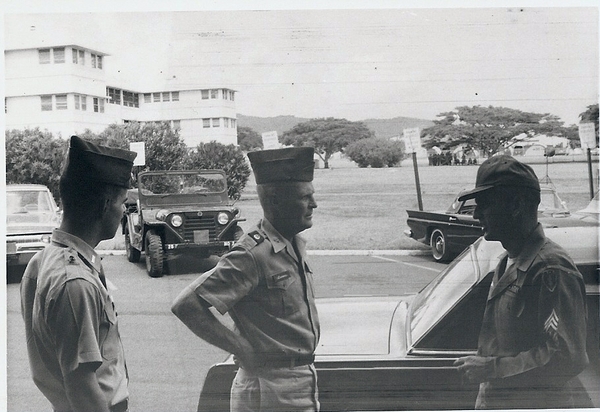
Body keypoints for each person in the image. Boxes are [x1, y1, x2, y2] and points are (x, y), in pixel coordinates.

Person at [172, 147, 320, 412]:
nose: (314, 204)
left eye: (312, 196)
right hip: (270, 388)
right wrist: (241, 349)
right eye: (304, 197)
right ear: (275, 201)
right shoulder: (252, 254)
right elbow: (186, 305)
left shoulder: (294, 243)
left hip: (298, 381)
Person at [453, 155, 590, 409]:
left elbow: (567, 358)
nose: (476, 215)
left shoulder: (551, 268)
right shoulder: (509, 260)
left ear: (516, 205)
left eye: (484, 204)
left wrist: (491, 368)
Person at [21, 135, 136, 412]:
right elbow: (82, 387)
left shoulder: (42, 261)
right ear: (104, 204)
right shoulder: (75, 281)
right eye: (122, 203)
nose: (123, 213)